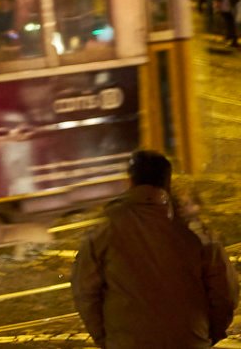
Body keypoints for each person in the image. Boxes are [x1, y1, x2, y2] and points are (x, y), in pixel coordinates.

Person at [71, 149, 234, 349]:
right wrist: (206, 335)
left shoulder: (104, 229)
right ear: (167, 182)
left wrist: (107, 339)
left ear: (130, 181)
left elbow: (85, 292)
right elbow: (224, 291)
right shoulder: (195, 231)